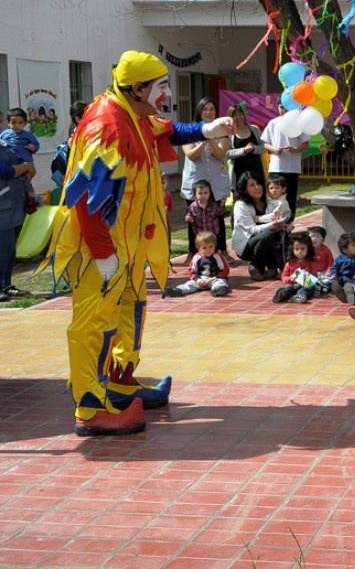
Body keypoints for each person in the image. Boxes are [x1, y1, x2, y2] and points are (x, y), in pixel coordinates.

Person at [38, 49, 233, 436]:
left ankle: (120, 381)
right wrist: (103, 253)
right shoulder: (106, 127)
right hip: (102, 250)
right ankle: (91, 407)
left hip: (126, 247)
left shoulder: (132, 111)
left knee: (130, 311)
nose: (167, 95)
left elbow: (164, 128)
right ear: (138, 88)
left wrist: (205, 131)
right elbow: (87, 201)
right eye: (161, 87)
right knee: (94, 324)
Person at [180, 97, 231, 254]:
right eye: (205, 109)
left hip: (215, 182)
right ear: (199, 111)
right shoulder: (189, 131)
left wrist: (211, 138)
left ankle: (222, 250)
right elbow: (191, 154)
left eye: (212, 109)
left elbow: (220, 154)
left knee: (218, 217)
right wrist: (203, 140)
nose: (208, 112)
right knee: (193, 218)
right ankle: (192, 252)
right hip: (195, 182)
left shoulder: (222, 132)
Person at [231, 170, 289, 280]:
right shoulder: (241, 205)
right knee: (268, 235)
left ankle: (279, 267)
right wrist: (273, 224)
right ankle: (255, 266)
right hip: (246, 245)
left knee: (281, 234)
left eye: (259, 183)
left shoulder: (269, 201)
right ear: (245, 188)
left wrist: (283, 224)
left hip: (265, 239)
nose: (257, 187)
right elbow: (252, 230)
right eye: (252, 185)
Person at [260, 102, 310, 219]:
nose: (284, 110)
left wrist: (295, 150)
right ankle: (272, 222)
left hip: (292, 168)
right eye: (281, 107)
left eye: (286, 107)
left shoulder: (299, 123)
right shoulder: (273, 123)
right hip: (276, 167)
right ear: (277, 107)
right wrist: (274, 149)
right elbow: (265, 144)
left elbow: (306, 144)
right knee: (273, 197)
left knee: (290, 198)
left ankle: (289, 225)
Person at [0, 146, 34, 302]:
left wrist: (29, 168)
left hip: (15, 204)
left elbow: (23, 160)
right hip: (2, 207)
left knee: (11, 247)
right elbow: (5, 171)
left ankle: (7, 285)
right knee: (4, 245)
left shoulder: (7, 144)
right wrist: (26, 166)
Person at [272, 232, 328, 304]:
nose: (299, 252)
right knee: (288, 289)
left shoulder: (312, 262)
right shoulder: (290, 263)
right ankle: (282, 295)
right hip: (291, 284)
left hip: (306, 286)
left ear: (308, 249)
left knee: (305, 290)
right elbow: (284, 276)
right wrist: (290, 279)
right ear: (292, 249)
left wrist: (301, 283)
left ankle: (300, 296)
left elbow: (314, 277)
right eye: (296, 249)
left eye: (303, 249)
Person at [2, 107, 40, 210]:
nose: (17, 125)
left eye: (20, 123)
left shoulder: (28, 135)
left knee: (27, 181)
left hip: (25, 161)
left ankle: (31, 200)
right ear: (9, 123)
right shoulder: (5, 134)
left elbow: (36, 145)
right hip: (12, 161)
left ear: (24, 123)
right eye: (13, 123)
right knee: (16, 182)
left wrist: (33, 147)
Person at [224, 100, 265, 188]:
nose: (239, 117)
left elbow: (264, 147)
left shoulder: (255, 129)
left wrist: (254, 149)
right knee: (240, 200)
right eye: (235, 115)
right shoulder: (228, 133)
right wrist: (244, 150)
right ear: (230, 117)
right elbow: (226, 153)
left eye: (240, 114)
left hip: (256, 171)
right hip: (238, 174)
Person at [183, 180, 226, 259]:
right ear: (195, 194)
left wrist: (222, 203)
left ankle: (216, 266)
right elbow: (187, 215)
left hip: (212, 236)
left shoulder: (213, 205)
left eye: (206, 193)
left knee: (214, 254)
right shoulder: (192, 207)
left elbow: (220, 212)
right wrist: (188, 218)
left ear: (209, 193)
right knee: (201, 255)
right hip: (200, 237)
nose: (203, 195)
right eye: (200, 193)